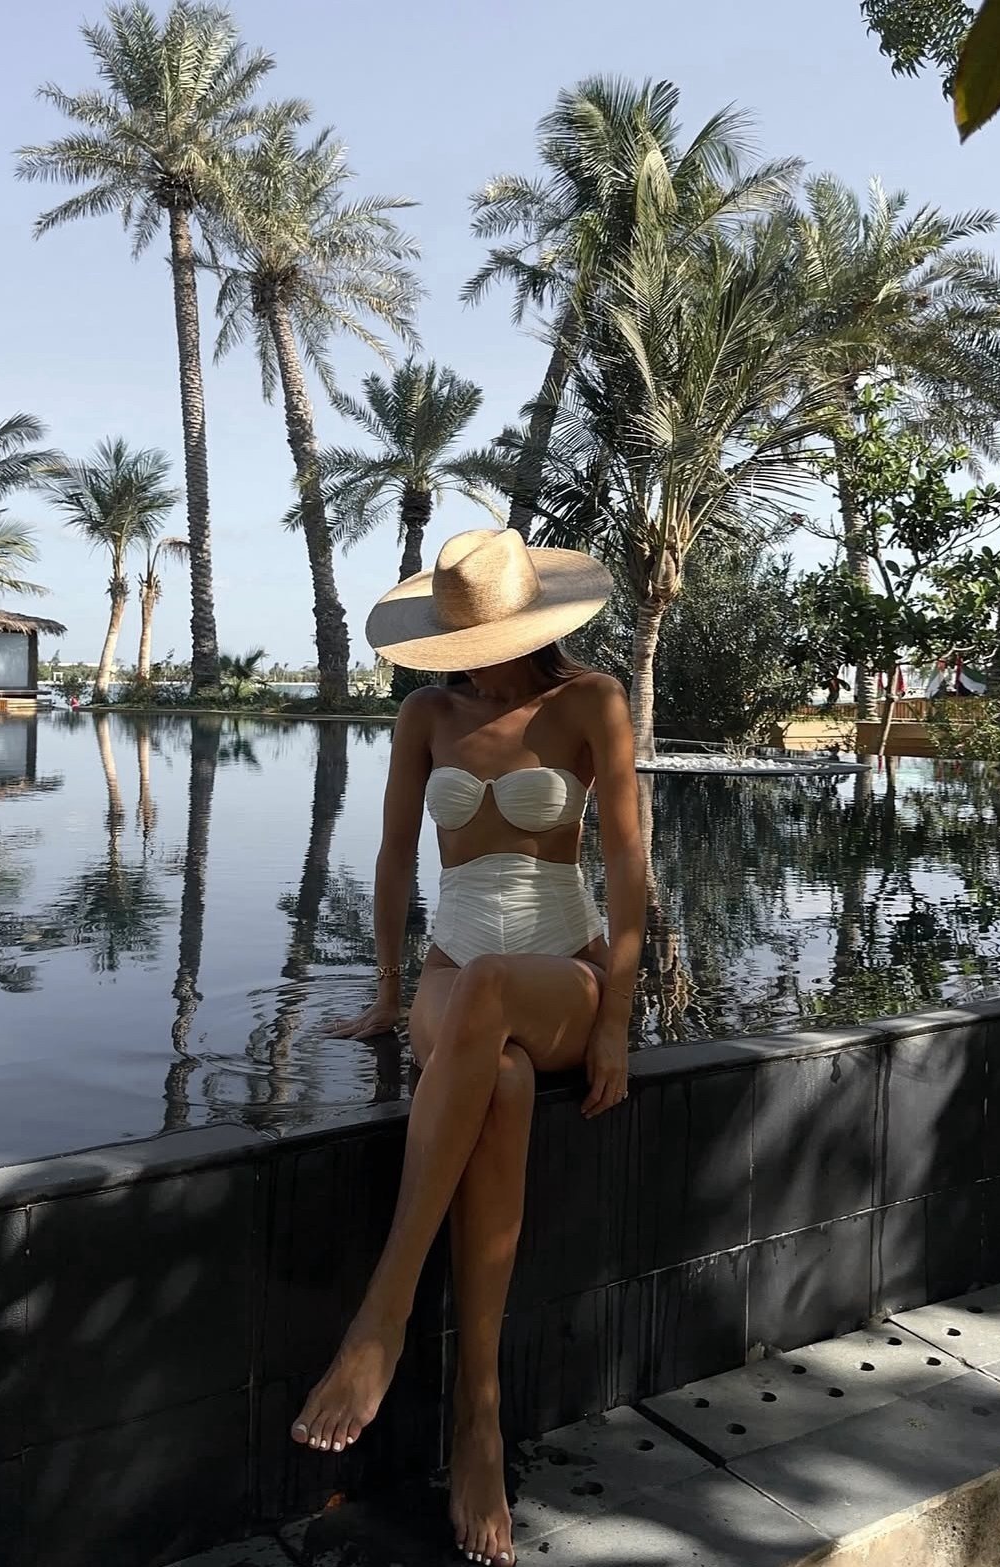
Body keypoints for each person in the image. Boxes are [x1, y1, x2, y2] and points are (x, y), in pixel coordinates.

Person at [291, 528, 646, 1567]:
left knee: (494, 992)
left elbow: (629, 861)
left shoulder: (593, 702)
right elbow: (396, 854)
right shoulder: (426, 715)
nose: (466, 665)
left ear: (527, 629)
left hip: (560, 973)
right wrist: (388, 990)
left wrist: (616, 1019)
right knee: (495, 1071)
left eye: (479, 645)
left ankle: (384, 1315)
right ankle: (477, 1416)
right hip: (452, 973)